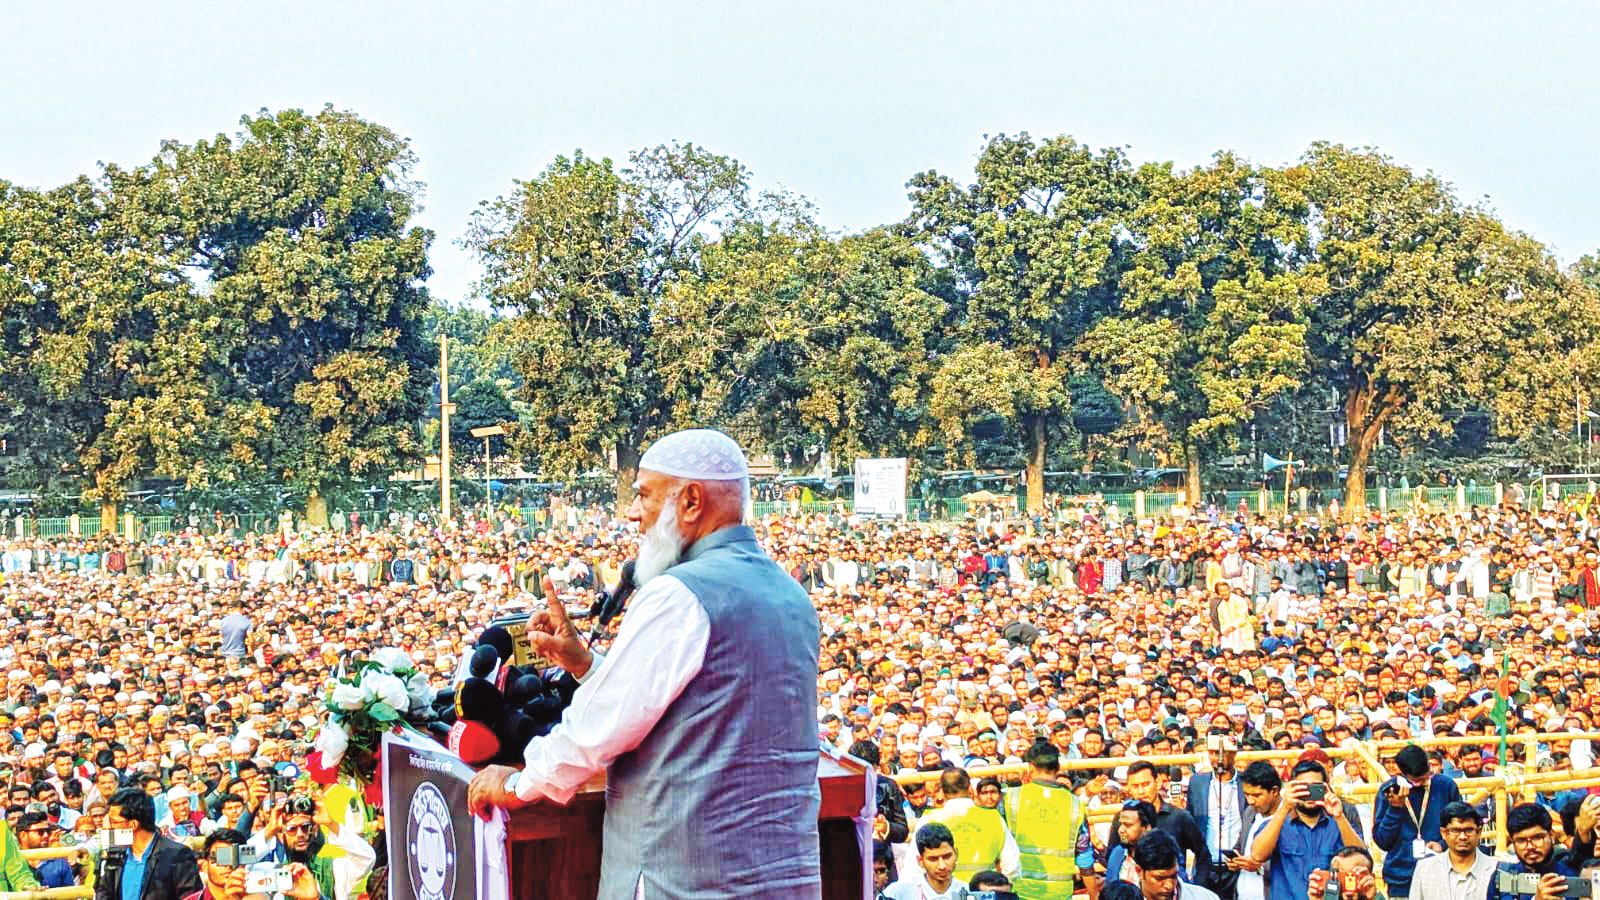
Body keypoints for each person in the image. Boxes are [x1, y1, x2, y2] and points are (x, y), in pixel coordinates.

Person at [466, 429, 823, 899]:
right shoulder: (792, 595)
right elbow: (695, 712)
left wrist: (516, 783)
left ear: (692, 501)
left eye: (645, 495)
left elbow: (594, 734)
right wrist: (586, 665)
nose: (633, 513)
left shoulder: (678, 593)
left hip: (684, 881)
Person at [1248, 760, 1363, 900]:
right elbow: (1257, 856)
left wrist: (1339, 817)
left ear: (1326, 788)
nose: (1308, 793)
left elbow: (1362, 860)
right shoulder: (1276, 825)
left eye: (1315, 788)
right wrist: (1285, 807)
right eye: (1302, 788)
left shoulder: (1339, 824)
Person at [1002, 741, 1094, 900]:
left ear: (1030, 767)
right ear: (1058, 767)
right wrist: (1094, 894)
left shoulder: (1011, 798)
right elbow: (1084, 856)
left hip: (1020, 890)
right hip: (1059, 892)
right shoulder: (1075, 804)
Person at [1374, 745, 1464, 899]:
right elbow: (1383, 841)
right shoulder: (1389, 791)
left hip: (1442, 873)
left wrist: (1442, 844)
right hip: (1401, 878)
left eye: (1425, 777)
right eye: (1415, 780)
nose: (1420, 783)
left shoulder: (1445, 786)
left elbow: (1461, 825)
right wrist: (1395, 809)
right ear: (1402, 773)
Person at [246, 795, 374, 900]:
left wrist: (331, 824)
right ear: (281, 835)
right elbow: (235, 866)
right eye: (292, 829)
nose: (300, 834)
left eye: (305, 827)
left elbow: (366, 858)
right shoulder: (272, 871)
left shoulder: (333, 869)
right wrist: (269, 830)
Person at [1107, 762, 1209, 886]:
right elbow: (1112, 856)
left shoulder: (1178, 817)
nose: (1141, 791)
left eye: (1145, 784)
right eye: (1135, 786)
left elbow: (1203, 854)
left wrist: (1197, 887)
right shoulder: (1122, 818)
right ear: (1128, 788)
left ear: (1158, 783)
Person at [93, 788, 203, 900]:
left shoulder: (177, 855)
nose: (109, 827)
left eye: (114, 822)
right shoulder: (115, 854)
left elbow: (190, 896)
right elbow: (104, 893)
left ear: (134, 824)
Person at [922, 768, 1020, 885]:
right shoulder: (993, 817)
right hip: (984, 893)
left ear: (942, 792)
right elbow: (1012, 866)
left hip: (944, 893)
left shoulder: (929, 819)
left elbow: (914, 868)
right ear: (970, 789)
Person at [1190, 735, 1246, 900]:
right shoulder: (1197, 782)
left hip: (1237, 866)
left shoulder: (1246, 781)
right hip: (1206, 866)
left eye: (1222, 753)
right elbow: (1192, 822)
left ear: (1234, 755)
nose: (1217, 758)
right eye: (1213, 753)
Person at [1485, 804, 1578, 900]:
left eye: (1537, 838)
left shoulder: (1571, 877)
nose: (1530, 846)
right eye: (1521, 840)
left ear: (1552, 836)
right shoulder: (1501, 878)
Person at [1409, 803, 1494, 900]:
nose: (1462, 837)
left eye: (1468, 830)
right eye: (1456, 830)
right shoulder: (1425, 869)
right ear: (1444, 833)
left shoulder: (1494, 869)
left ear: (1478, 832)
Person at [1233, 762, 1280, 900]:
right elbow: (1241, 845)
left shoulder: (1290, 819)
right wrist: (1235, 860)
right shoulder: (1249, 813)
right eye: (1247, 795)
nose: (1251, 801)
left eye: (1256, 795)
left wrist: (1260, 866)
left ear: (1274, 791)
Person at [885, 823, 964, 900]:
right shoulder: (896, 894)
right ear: (920, 861)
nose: (942, 866)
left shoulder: (969, 892)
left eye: (947, 857)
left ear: (956, 854)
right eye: (933, 859)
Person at [1134, 832, 1221, 900]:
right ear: (1139, 871)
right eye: (1160, 878)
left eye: (1173, 876)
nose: (1169, 885)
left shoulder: (1205, 898)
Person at [1107, 801, 1158, 886]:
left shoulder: (1163, 857)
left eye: (1128, 825)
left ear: (1146, 828)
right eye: (1121, 824)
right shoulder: (1117, 853)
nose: (1121, 830)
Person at [16, 812, 72, 888]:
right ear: (23, 835)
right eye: (40, 832)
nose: (46, 836)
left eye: (48, 831)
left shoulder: (59, 861)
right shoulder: (11, 862)